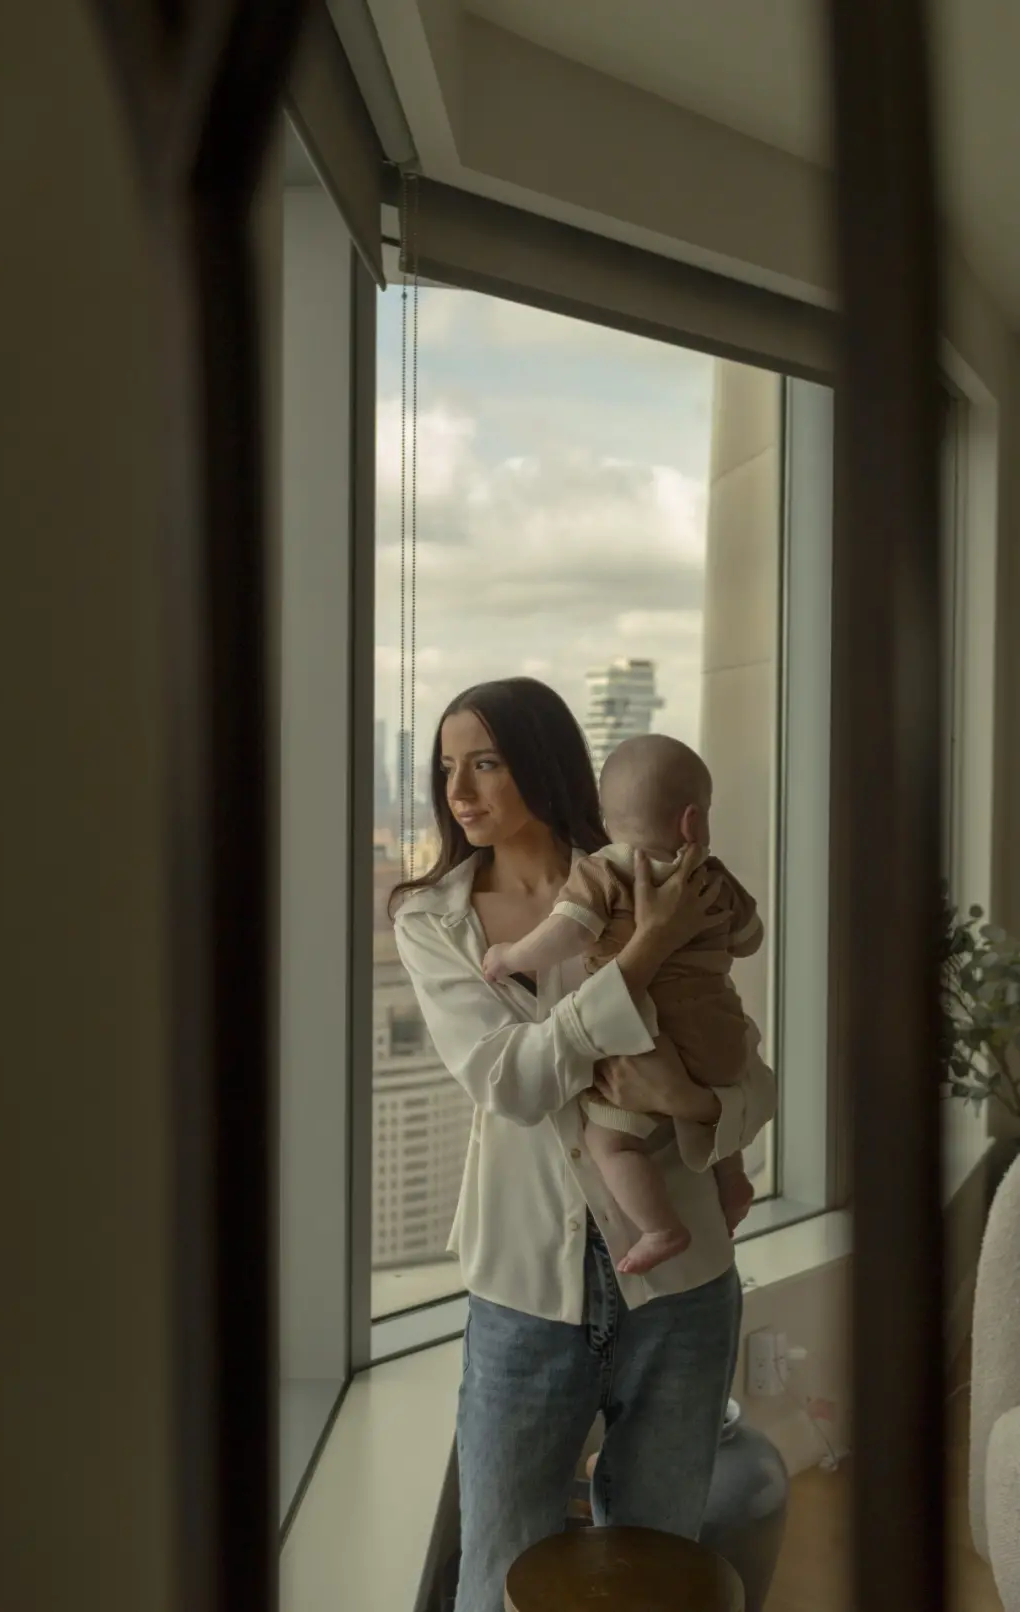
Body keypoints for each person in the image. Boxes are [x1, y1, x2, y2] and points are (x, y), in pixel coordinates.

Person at [391, 678, 775, 1612]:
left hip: (684, 1292)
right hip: (526, 1294)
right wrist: (642, 956)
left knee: (653, 1573)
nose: (459, 791)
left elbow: (751, 1078)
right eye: (446, 768)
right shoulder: (432, 920)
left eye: (485, 762)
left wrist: (691, 1102)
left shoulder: (645, 872)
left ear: (543, 763)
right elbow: (512, 1084)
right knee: (497, 1577)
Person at [481, 732, 761, 1274]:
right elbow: (750, 940)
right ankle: (732, 1180)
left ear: (608, 822)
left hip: (653, 1043)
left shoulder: (606, 871)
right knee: (716, 1103)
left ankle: (659, 1228)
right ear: (693, 822)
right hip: (725, 1041)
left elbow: (566, 933)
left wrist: (510, 955)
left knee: (609, 1141)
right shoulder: (713, 876)